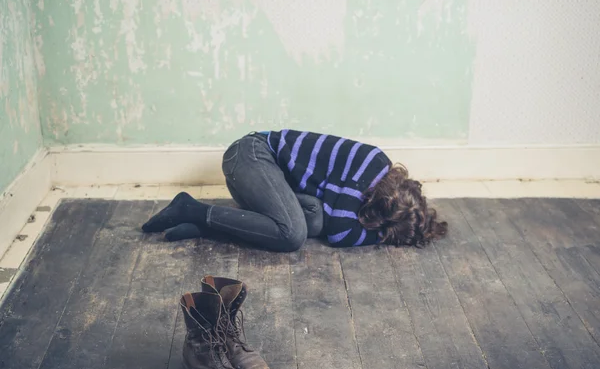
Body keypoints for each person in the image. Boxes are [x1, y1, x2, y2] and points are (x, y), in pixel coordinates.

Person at [142, 130, 447, 251]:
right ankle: (190, 208)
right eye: (383, 225)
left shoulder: (367, 187)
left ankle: (202, 225)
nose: (377, 229)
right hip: (252, 156)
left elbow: (329, 219)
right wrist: (379, 235)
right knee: (293, 234)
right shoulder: (372, 161)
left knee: (312, 222)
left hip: (273, 185)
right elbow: (340, 232)